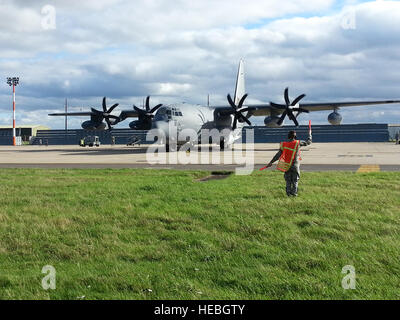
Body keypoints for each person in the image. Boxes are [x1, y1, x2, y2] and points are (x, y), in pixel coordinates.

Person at [265, 130, 312, 197]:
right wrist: (310, 135)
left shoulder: (283, 144)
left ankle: (288, 194)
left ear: (288, 136)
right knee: (295, 180)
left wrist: (271, 162)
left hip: (287, 165)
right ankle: (294, 194)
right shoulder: (298, 143)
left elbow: (278, 155)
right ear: (295, 136)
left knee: (288, 180)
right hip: (295, 165)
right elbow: (308, 142)